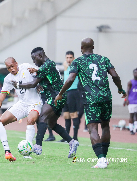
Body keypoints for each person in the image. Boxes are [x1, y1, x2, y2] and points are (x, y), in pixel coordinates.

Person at [54, 38, 126, 168]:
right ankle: (104, 157)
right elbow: (114, 75)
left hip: (91, 99)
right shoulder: (104, 59)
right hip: (106, 97)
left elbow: (70, 78)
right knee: (105, 126)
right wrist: (120, 89)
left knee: (92, 128)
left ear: (81, 48)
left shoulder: (78, 61)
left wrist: (60, 94)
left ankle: (101, 158)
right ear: (93, 47)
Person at [12, 47, 79, 158]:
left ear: (40, 56)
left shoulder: (47, 65)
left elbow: (33, 84)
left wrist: (18, 85)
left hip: (55, 96)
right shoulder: (47, 65)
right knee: (51, 123)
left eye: (34, 59)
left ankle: (38, 145)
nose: (34, 62)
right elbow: (42, 78)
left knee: (42, 116)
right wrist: (37, 73)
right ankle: (72, 142)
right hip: (57, 96)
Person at [0, 57, 43, 159]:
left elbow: (41, 74)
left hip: (35, 102)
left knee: (31, 120)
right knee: (0, 122)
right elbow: (3, 93)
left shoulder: (26, 67)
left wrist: (39, 80)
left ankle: (27, 153)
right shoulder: (8, 79)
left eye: (12, 66)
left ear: (16, 63)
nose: (11, 69)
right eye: (8, 68)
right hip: (22, 104)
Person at [59, 51, 80, 142]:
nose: (68, 59)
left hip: (73, 92)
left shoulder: (75, 66)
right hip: (65, 92)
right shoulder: (65, 66)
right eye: (67, 57)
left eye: (70, 57)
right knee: (66, 115)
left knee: (73, 114)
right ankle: (66, 137)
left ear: (73, 58)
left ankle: (75, 137)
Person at [123, 68, 137, 135]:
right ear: (133, 74)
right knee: (131, 115)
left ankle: (135, 129)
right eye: (135, 73)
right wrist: (126, 100)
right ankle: (131, 129)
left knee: (136, 116)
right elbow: (127, 91)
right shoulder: (130, 82)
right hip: (131, 101)